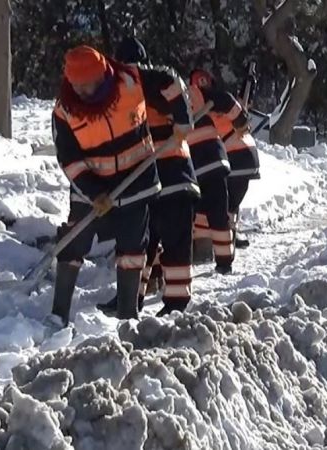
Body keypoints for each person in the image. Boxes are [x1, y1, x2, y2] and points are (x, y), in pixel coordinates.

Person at [50, 45, 191, 326]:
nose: (85, 92)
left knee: (132, 246)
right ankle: (58, 314)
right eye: (79, 87)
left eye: (90, 85)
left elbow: (171, 81)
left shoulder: (130, 80)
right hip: (90, 188)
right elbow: (69, 159)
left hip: (134, 178)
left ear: (103, 75)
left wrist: (182, 120)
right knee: (74, 241)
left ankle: (128, 315)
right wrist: (92, 192)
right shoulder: (65, 109)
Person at [97, 37, 199, 317]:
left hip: (174, 175)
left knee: (174, 242)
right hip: (147, 182)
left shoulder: (144, 79)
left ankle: (177, 304)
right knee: (141, 242)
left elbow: (171, 83)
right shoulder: (121, 96)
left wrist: (182, 122)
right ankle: (130, 298)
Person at [192, 69, 260, 251]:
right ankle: (228, 237)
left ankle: (206, 244)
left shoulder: (205, 105)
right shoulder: (222, 103)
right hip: (247, 158)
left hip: (234, 157)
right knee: (230, 202)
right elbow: (239, 113)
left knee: (214, 202)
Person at [186, 69, 237, 274]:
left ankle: (200, 252)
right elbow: (228, 105)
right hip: (216, 161)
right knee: (218, 215)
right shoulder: (203, 97)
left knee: (197, 212)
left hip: (196, 166)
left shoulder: (180, 95)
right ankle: (224, 261)